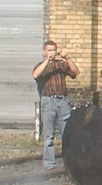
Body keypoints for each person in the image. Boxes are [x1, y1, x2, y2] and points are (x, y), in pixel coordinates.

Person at [31, 39, 79, 170]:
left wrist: (68, 59)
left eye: (53, 50)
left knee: (67, 134)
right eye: (49, 50)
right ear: (44, 52)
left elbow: (75, 73)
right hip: (48, 101)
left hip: (62, 101)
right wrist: (48, 61)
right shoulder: (41, 65)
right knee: (48, 135)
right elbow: (35, 75)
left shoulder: (61, 65)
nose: (52, 52)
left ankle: (67, 162)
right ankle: (49, 164)